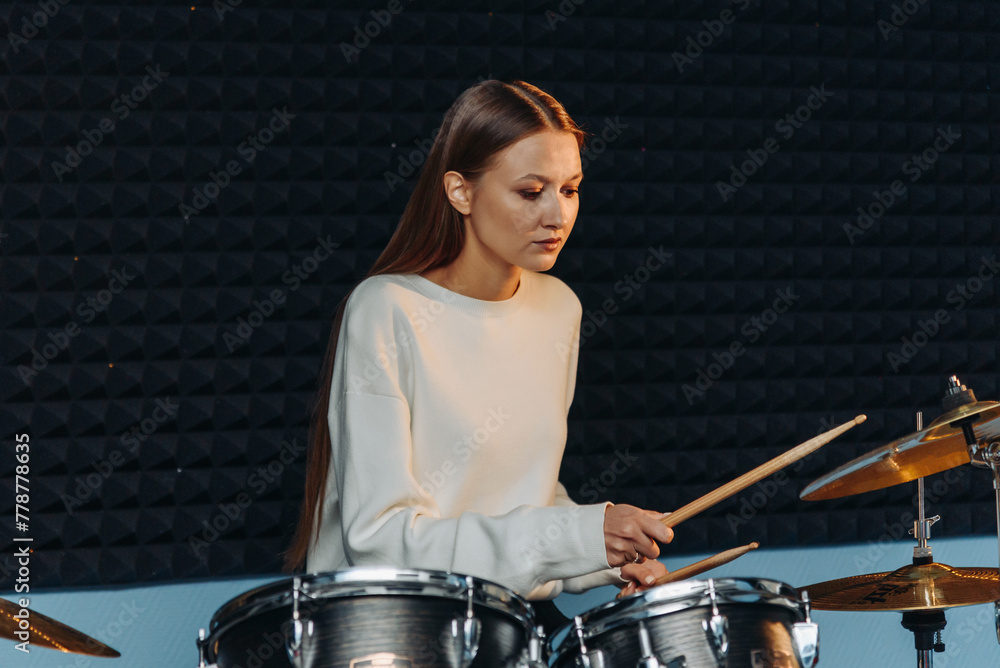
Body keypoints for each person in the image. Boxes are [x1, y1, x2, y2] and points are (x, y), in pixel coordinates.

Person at [284, 80, 672, 613]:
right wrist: (576, 536)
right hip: (388, 627)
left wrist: (603, 554)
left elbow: (523, 497)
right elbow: (381, 543)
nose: (557, 216)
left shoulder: (559, 308)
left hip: (503, 620)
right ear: (460, 191)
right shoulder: (385, 309)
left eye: (570, 189)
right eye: (531, 191)